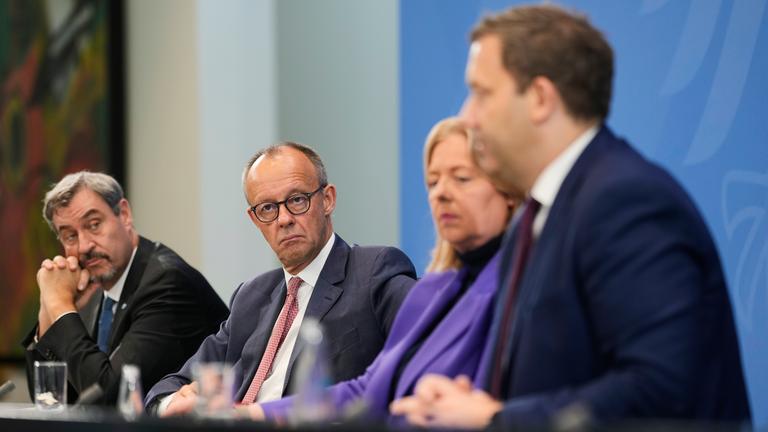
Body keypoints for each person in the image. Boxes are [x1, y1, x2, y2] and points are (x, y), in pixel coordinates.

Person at [390, 4, 751, 429]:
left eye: (481, 93)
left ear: (540, 99)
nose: (467, 116)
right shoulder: (536, 218)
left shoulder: (625, 202)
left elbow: (664, 391)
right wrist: (465, 403)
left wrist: (497, 418)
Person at [248, 118, 515, 422]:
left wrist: (488, 417)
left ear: (508, 188)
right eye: (433, 181)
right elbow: (367, 391)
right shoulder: (432, 292)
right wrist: (252, 415)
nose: (440, 193)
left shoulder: (522, 286)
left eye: (462, 178)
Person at [145, 142, 417, 415]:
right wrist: (170, 404)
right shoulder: (251, 296)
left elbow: (422, 359)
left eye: (297, 199)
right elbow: (175, 382)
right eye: (267, 208)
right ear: (254, 219)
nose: (284, 219)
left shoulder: (374, 271)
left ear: (328, 200)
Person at [22, 171, 229, 405]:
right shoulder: (94, 289)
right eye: (70, 236)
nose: (84, 246)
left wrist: (59, 305)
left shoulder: (167, 284)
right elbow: (54, 401)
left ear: (124, 214)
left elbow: (111, 399)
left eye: (94, 225)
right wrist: (47, 308)